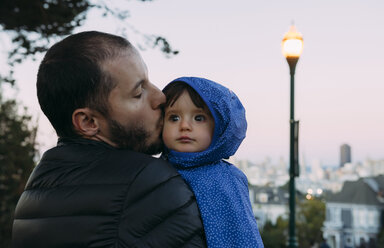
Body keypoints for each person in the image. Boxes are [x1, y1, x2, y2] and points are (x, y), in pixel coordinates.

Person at [12, 31, 206, 248]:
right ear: (88, 122)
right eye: (138, 92)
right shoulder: (148, 181)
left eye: (148, 81)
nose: (160, 97)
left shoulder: (33, 193)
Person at [162, 77, 264, 248]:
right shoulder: (152, 171)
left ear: (219, 126)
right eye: (174, 118)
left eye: (199, 118)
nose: (185, 126)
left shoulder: (227, 180)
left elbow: (243, 236)